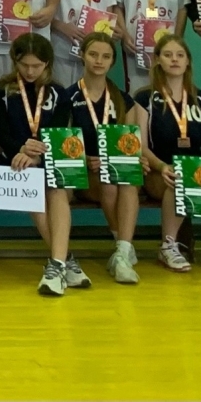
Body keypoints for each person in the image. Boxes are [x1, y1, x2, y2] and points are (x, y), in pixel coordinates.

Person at [0, 34, 79, 296]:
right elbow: (2, 134)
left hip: (48, 160)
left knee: (56, 188)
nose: (30, 71)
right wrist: (21, 151)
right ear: (14, 61)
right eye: (24, 65)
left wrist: (36, 155)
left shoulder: (59, 93)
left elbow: (57, 134)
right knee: (32, 181)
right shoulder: (0, 90)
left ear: (47, 63)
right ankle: (64, 261)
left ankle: (57, 264)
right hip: (13, 162)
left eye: (36, 66)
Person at [136, 34, 201, 274]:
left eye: (180, 55)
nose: (174, 60)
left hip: (196, 168)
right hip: (159, 171)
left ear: (188, 61)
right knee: (179, 179)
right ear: (158, 60)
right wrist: (162, 167)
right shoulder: (145, 98)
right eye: (168, 55)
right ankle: (168, 245)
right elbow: (141, 146)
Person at [64, 32, 141, 284]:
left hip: (117, 170)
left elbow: (132, 143)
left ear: (112, 62)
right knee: (109, 185)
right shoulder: (68, 97)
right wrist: (84, 158)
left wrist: (133, 159)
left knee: (127, 180)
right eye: (93, 54)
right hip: (85, 173)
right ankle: (122, 246)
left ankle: (122, 252)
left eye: (106, 56)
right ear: (82, 56)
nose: (99, 61)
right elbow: (61, 144)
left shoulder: (123, 99)